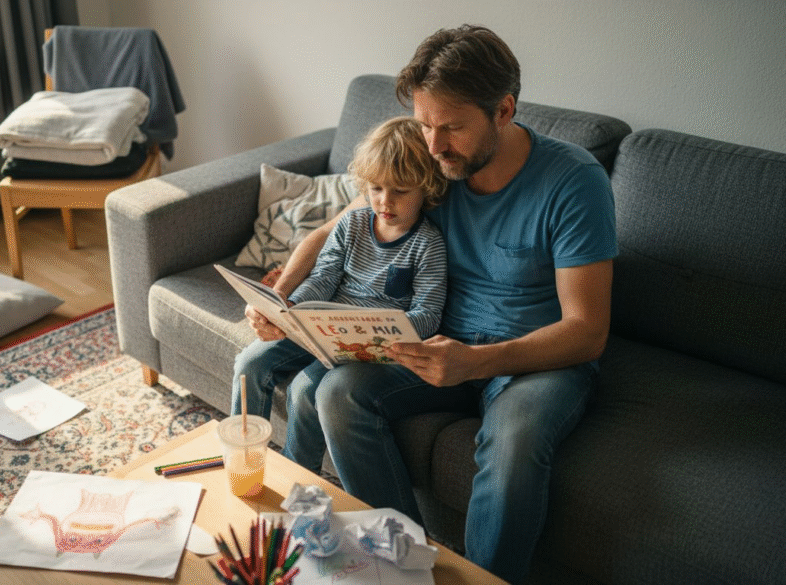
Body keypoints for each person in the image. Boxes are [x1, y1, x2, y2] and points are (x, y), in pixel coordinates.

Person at [247, 25, 617, 584]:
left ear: (504, 110)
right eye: (424, 123)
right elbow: (333, 230)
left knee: (514, 444)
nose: (435, 144)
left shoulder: (573, 181)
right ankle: (405, 564)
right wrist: (280, 298)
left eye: (452, 127)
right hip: (437, 344)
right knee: (337, 393)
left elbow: (587, 331)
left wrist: (476, 361)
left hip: (536, 359)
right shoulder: (435, 165)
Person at [231, 116, 448, 471]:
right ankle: (243, 461)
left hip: (371, 348)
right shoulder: (352, 224)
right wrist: (291, 306)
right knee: (249, 363)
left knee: (304, 390)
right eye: (376, 189)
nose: (385, 201)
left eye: (400, 191)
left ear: (426, 188)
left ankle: (297, 478)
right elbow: (323, 277)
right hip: (321, 326)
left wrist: (388, 331)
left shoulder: (428, 245)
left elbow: (428, 314)